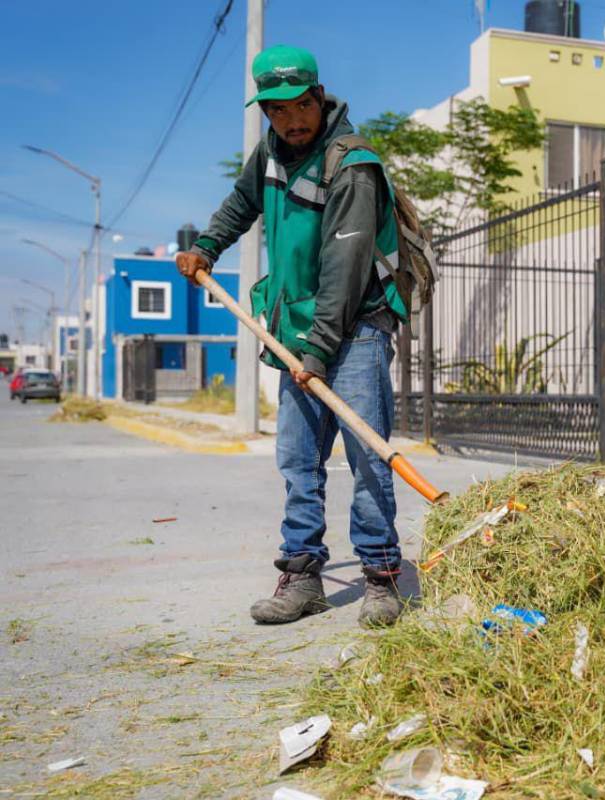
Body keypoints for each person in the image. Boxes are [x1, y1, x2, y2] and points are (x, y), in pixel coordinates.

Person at [176, 45, 410, 628]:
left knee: (367, 458)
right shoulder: (271, 154)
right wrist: (206, 247)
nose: (289, 121)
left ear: (318, 97)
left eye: (298, 107)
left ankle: (382, 577)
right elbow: (240, 204)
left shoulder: (350, 163)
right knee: (299, 461)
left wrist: (317, 350)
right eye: (276, 112)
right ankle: (302, 576)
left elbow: (345, 268)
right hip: (297, 333)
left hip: (353, 329)